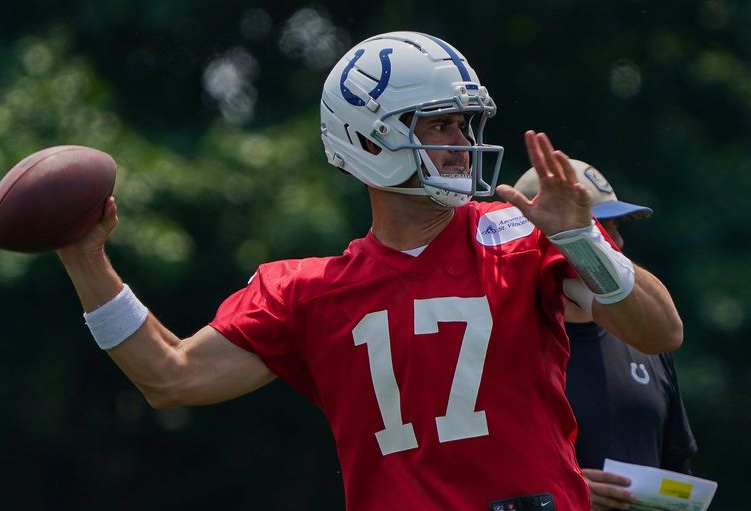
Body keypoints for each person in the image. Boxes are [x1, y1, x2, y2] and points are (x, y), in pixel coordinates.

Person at [55, 32, 683, 511]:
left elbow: (660, 332)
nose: (462, 141)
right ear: (372, 138)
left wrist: (581, 239)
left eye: (465, 122)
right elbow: (171, 377)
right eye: (439, 123)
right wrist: (85, 258)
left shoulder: (520, 230)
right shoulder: (306, 291)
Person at [515, 161, 697, 511]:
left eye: (613, 227)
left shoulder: (646, 340)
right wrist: (560, 491)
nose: (616, 243)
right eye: (594, 228)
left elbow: (677, 469)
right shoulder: (496, 344)